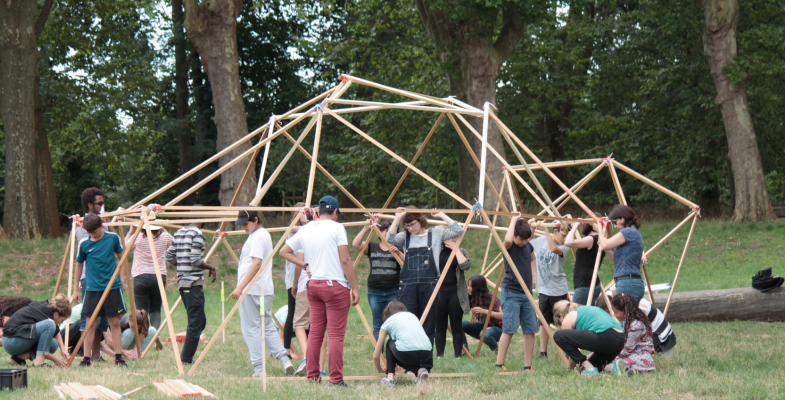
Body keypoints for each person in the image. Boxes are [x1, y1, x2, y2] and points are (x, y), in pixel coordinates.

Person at [280, 195, 360, 386]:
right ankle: (336, 379)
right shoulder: (337, 228)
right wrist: (355, 286)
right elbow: (346, 260)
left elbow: (284, 251)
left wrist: (305, 264)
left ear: (318, 212)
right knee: (335, 335)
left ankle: (313, 376)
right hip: (335, 286)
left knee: (315, 333)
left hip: (313, 286)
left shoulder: (307, 229)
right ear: (334, 211)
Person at [229, 209, 294, 376]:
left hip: (253, 290)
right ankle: (284, 359)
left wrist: (240, 287)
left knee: (251, 328)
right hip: (262, 289)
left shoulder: (258, 236)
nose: (244, 227)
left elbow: (256, 263)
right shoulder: (259, 235)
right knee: (266, 327)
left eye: (246, 223)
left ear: (256, 220)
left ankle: (259, 368)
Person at [386, 207, 463, 342]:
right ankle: (410, 354)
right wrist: (398, 218)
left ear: (420, 221)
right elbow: (390, 238)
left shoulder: (436, 234)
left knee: (428, 323)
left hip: (430, 285)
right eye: (407, 226)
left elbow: (458, 230)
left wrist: (441, 214)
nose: (410, 228)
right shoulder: (405, 237)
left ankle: (426, 359)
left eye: (413, 224)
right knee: (409, 321)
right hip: (408, 286)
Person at [74, 214, 128, 368]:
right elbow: (79, 265)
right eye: (90, 233)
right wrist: (75, 288)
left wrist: (122, 279)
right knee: (90, 323)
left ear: (102, 226)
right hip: (92, 288)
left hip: (112, 287)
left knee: (114, 322)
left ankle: (118, 358)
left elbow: (122, 258)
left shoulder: (113, 238)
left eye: (95, 233)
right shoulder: (84, 243)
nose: (93, 236)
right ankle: (86, 358)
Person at [165, 214, 216, 365]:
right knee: (195, 323)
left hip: (183, 284)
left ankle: (187, 352)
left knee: (200, 321)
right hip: (193, 284)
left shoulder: (179, 232)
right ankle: (186, 359)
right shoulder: (198, 234)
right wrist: (210, 267)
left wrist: (181, 264)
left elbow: (169, 256)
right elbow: (195, 259)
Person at [75, 187, 113, 361]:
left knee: (102, 321)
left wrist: (110, 223)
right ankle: (86, 354)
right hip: (89, 279)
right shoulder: (82, 225)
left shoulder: (103, 222)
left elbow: (113, 241)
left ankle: (97, 355)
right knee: (89, 319)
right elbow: (92, 242)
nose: (102, 206)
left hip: (104, 278)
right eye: (99, 203)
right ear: (90, 205)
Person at [495, 215, 537, 372]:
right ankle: (499, 363)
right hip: (511, 292)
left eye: (526, 240)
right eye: (521, 239)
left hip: (527, 294)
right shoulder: (509, 246)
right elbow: (507, 240)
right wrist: (513, 220)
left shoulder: (527, 245)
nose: (524, 242)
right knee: (509, 329)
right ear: (514, 235)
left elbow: (532, 260)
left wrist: (534, 276)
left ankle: (528, 365)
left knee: (530, 330)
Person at [352, 220, 402, 340]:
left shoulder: (397, 248)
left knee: (394, 323)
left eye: (391, 231)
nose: (387, 233)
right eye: (385, 230)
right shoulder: (372, 246)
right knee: (377, 324)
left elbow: (406, 265)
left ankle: (393, 352)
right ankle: (379, 354)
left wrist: (398, 253)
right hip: (375, 292)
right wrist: (365, 228)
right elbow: (356, 244)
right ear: (380, 232)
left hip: (393, 291)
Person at [528, 220, 569, 358]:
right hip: (543, 290)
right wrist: (531, 227)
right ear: (555, 232)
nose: (565, 239)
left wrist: (545, 230)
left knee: (563, 321)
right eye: (563, 235)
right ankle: (543, 352)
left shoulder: (565, 246)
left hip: (558, 290)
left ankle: (567, 350)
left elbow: (553, 249)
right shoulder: (540, 241)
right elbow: (527, 243)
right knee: (544, 322)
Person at [552, 300, 624, 376]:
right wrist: (585, 359)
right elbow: (598, 345)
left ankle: (589, 368)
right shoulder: (585, 310)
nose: (561, 325)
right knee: (586, 367)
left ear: (560, 315)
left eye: (560, 322)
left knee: (558, 336)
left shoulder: (568, 317)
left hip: (605, 334)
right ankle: (613, 367)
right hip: (620, 339)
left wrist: (570, 369)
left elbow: (572, 354)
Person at [126, 222, 173, 329]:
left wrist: (130, 232)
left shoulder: (137, 237)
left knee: (141, 310)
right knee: (155, 309)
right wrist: (163, 229)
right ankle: (154, 334)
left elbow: (124, 248)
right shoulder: (165, 237)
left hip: (141, 276)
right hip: (159, 276)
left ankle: (144, 334)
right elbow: (176, 243)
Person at [373, 301, 432, 386]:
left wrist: (379, 369)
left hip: (405, 353)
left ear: (387, 313)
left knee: (390, 343)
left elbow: (376, 355)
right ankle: (420, 370)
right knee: (405, 353)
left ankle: (390, 377)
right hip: (427, 353)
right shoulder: (412, 316)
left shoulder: (388, 321)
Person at [595, 296, 676, 358]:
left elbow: (631, 337)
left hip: (662, 339)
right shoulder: (624, 305)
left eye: (611, 313)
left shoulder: (636, 309)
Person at [2, 295, 71, 367]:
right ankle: (39, 363)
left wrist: (63, 350)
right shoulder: (48, 318)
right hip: (10, 341)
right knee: (49, 324)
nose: (62, 323)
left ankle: (18, 359)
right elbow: (51, 325)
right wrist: (55, 359)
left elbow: (56, 331)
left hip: (12, 341)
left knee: (53, 345)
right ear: (56, 315)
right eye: (62, 320)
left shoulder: (48, 311)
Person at [599, 205, 645, 301]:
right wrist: (606, 246)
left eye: (615, 222)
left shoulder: (628, 232)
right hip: (629, 282)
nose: (615, 226)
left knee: (625, 315)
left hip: (628, 283)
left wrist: (599, 229)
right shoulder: (633, 232)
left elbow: (604, 244)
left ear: (623, 218)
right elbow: (616, 259)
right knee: (629, 315)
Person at [564, 214, 613, 305]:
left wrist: (575, 225)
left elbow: (568, 242)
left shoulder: (591, 239)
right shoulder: (599, 239)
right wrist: (571, 226)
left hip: (585, 285)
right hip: (590, 283)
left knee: (576, 314)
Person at [434, 238, 470, 358]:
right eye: (450, 237)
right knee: (440, 325)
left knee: (456, 325)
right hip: (439, 292)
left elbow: (465, 265)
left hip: (455, 292)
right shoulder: (436, 251)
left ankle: (457, 355)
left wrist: (455, 248)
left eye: (455, 237)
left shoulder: (461, 251)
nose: (453, 239)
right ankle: (439, 355)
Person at [606, 293, 655, 375]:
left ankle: (628, 370)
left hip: (641, 357)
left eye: (616, 312)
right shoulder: (625, 321)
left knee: (607, 366)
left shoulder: (636, 325)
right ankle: (624, 369)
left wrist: (612, 357)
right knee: (608, 365)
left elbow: (628, 348)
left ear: (625, 311)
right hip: (632, 354)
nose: (614, 315)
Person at [284, 202, 307, 360]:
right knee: (292, 313)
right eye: (302, 213)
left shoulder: (308, 229)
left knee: (305, 318)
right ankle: (287, 349)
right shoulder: (292, 232)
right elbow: (290, 249)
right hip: (294, 279)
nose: (306, 216)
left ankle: (306, 350)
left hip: (306, 281)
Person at [462, 275, 503, 352]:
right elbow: (462, 310)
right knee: (460, 323)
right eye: (468, 285)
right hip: (483, 326)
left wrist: (484, 311)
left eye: (471, 286)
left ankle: (496, 350)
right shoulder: (472, 297)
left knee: (484, 334)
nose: (468, 288)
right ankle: (465, 350)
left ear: (478, 287)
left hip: (498, 328)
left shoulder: (491, 297)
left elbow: (502, 316)